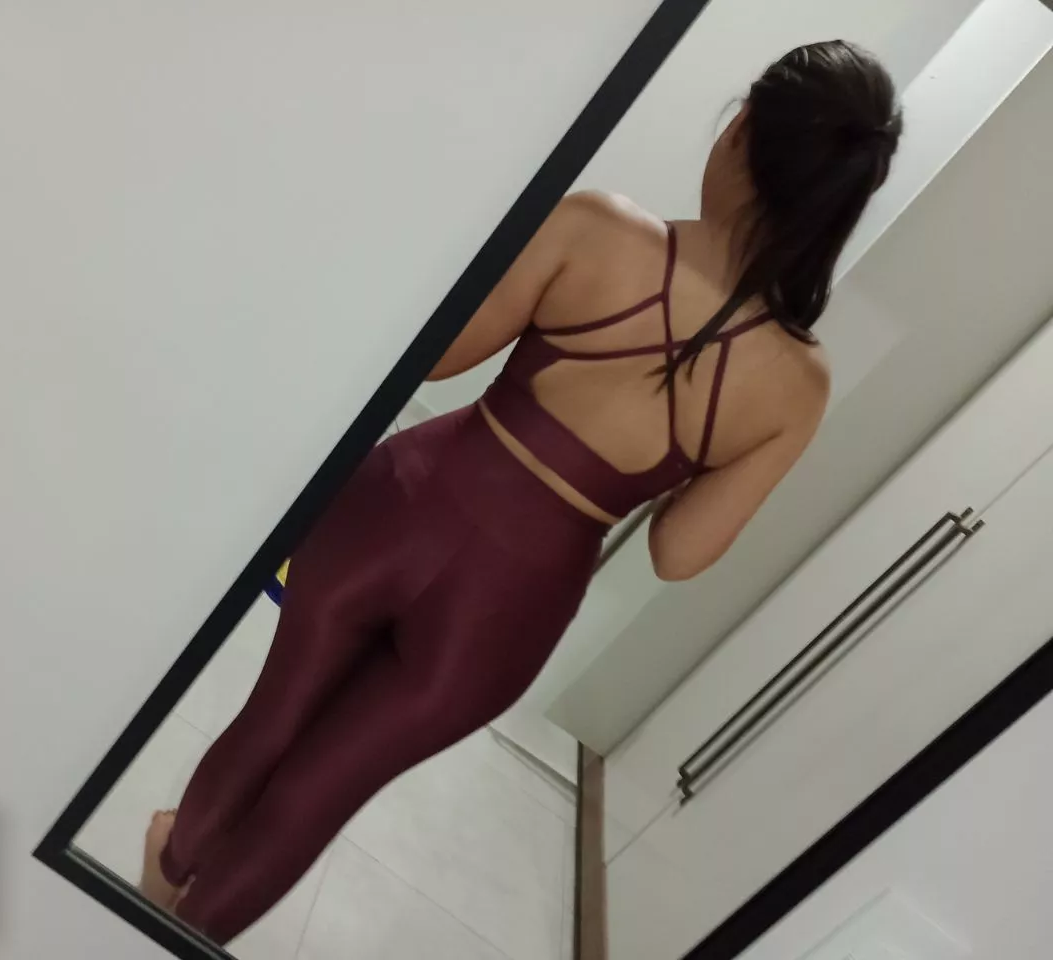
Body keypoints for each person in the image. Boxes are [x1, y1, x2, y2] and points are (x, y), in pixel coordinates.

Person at [139, 39, 902, 941]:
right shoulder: (799, 385)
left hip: (403, 504)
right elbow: (678, 553)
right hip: (510, 610)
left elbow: (442, 357)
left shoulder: (597, 227)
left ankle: (161, 874)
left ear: (738, 132)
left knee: (273, 716)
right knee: (322, 791)